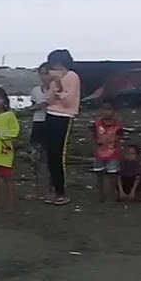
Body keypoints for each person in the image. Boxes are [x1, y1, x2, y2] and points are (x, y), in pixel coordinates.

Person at [42, 49, 81, 205]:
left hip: (64, 117)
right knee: (50, 154)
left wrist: (58, 85)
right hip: (51, 115)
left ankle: (61, 191)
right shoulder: (53, 79)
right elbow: (49, 99)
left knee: (58, 154)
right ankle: (54, 189)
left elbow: (68, 102)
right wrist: (50, 84)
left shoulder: (72, 77)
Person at [25, 63, 51, 196]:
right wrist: (37, 107)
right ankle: (35, 187)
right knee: (35, 158)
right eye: (42, 73)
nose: (44, 76)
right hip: (38, 123)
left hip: (51, 124)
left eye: (47, 73)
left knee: (49, 157)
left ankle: (50, 188)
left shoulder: (56, 90)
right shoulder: (35, 91)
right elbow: (32, 107)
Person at [91, 100, 123, 203]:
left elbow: (119, 139)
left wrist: (119, 153)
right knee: (99, 174)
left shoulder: (118, 125)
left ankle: (111, 195)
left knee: (112, 175)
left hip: (113, 154)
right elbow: (93, 137)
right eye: (104, 109)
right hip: (99, 154)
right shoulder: (96, 124)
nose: (106, 112)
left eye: (109, 109)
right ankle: (101, 195)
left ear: (114, 111)